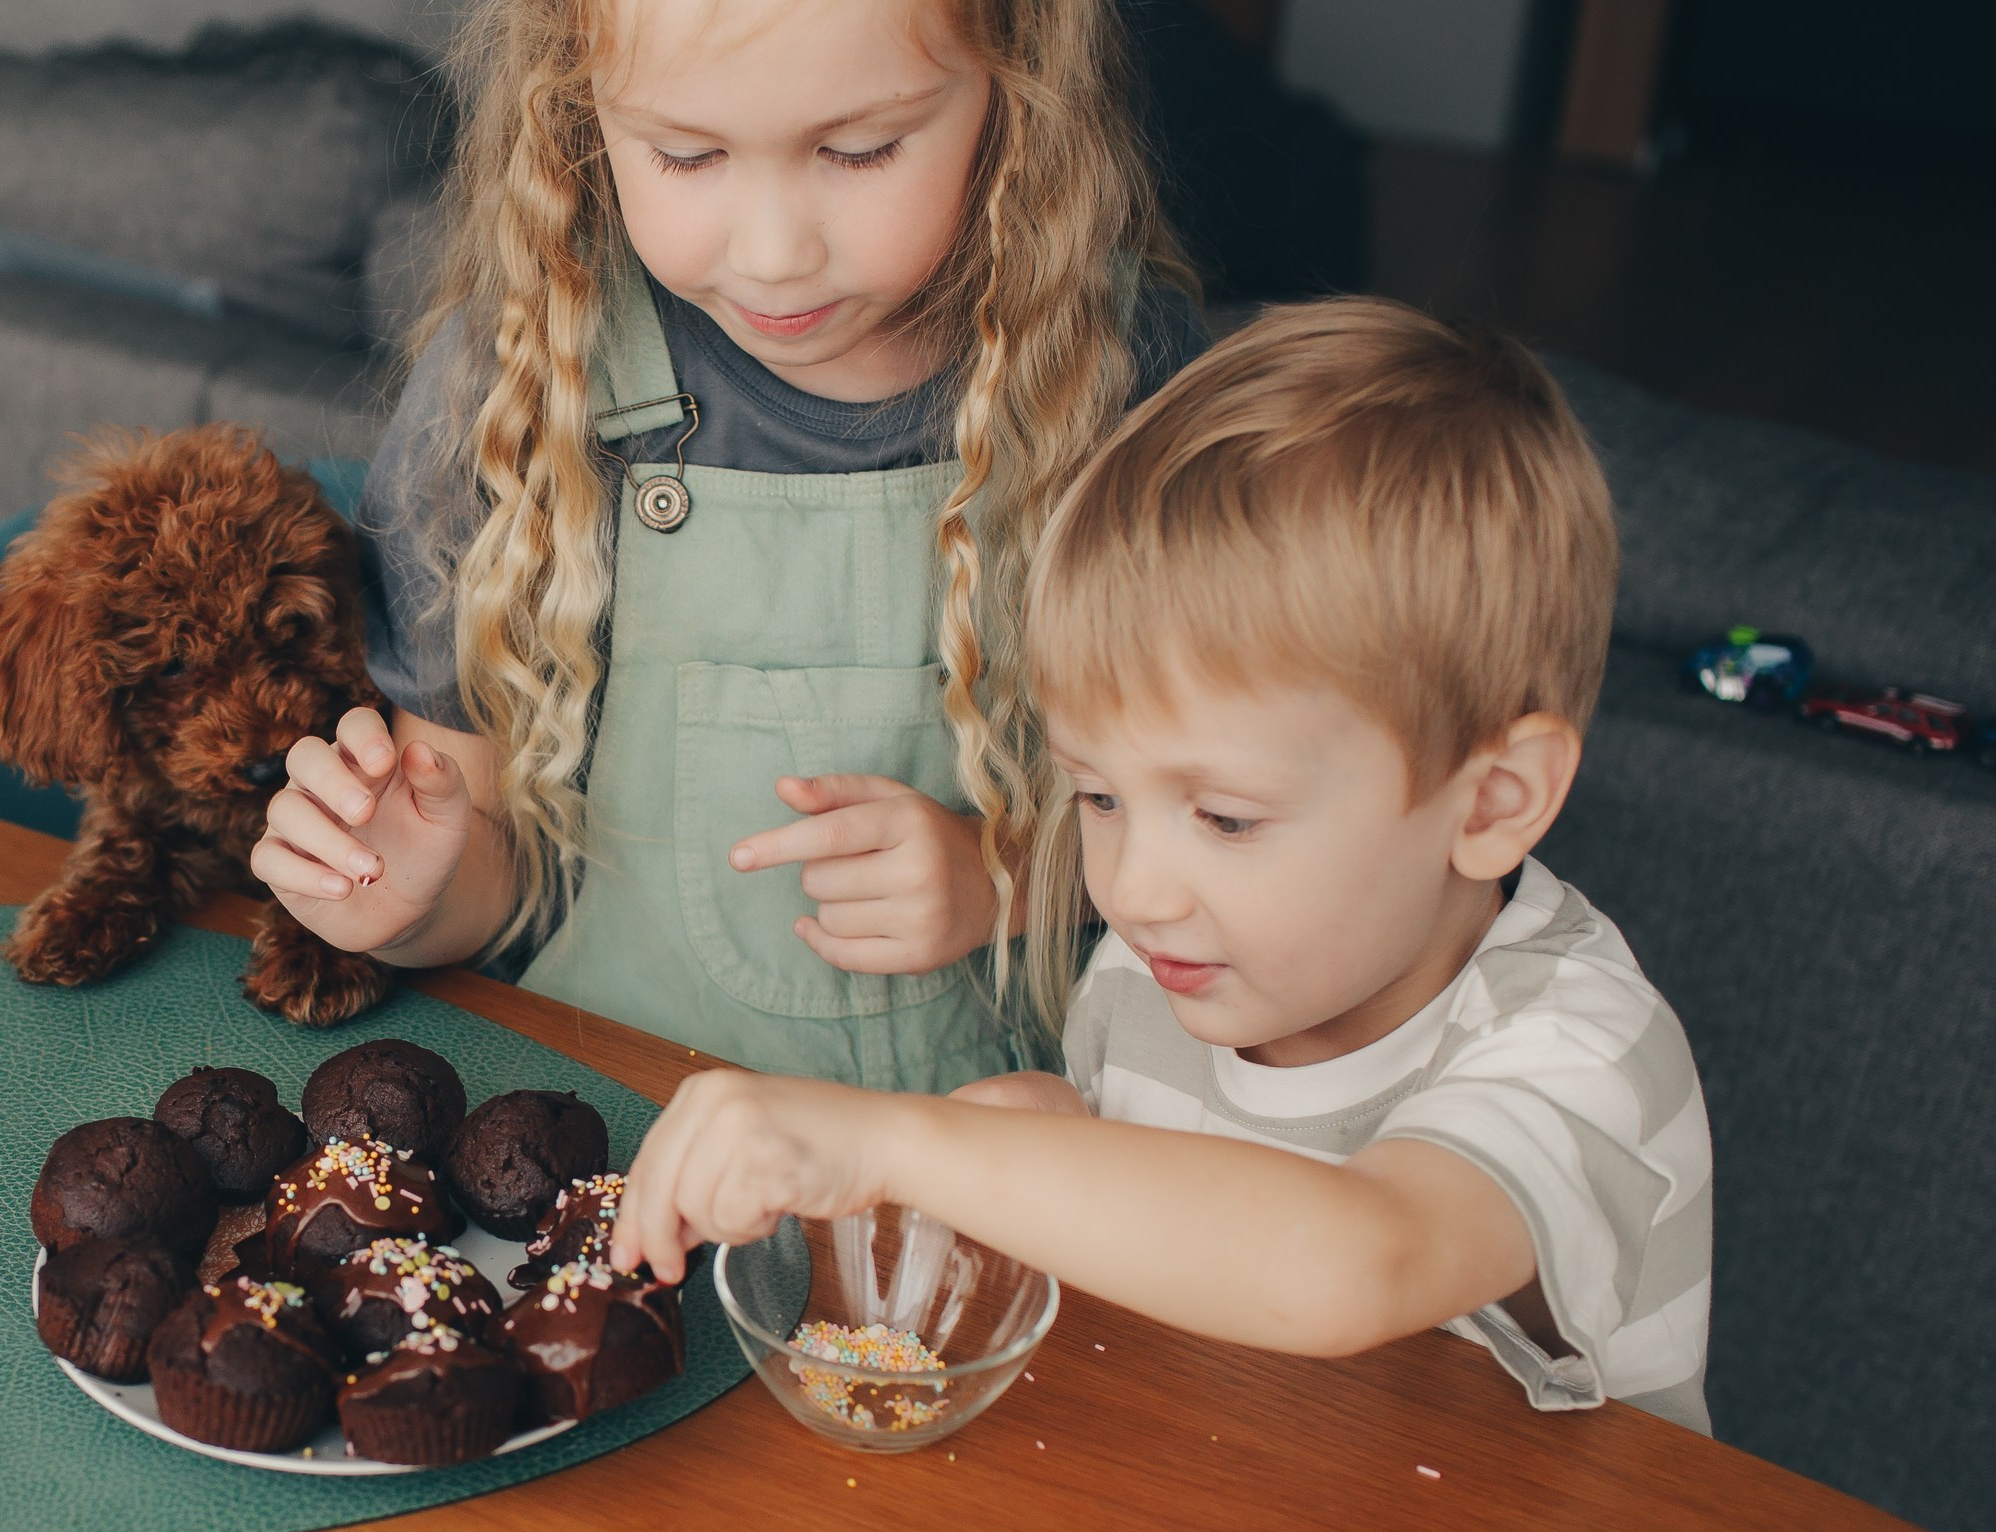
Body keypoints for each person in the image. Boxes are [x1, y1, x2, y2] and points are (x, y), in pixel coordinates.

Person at [610, 300, 1716, 1432]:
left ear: (1493, 803)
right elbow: (1171, 1178)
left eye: (1227, 820)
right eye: (1097, 796)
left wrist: (897, 1143)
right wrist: (1041, 1122)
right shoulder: (1167, 971)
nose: (1131, 892)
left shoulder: (1581, 1052)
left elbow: (1354, 1260)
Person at [250, 0, 1206, 1092]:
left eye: (860, 150)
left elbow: (1251, 825)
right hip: (613, 1127)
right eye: (685, 154)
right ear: (578, 111)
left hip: (988, 1156)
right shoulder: (516, 389)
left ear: (1015, 84)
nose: (772, 254)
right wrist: (406, 892)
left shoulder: (1128, 379)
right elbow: (486, 893)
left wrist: (1010, 882)